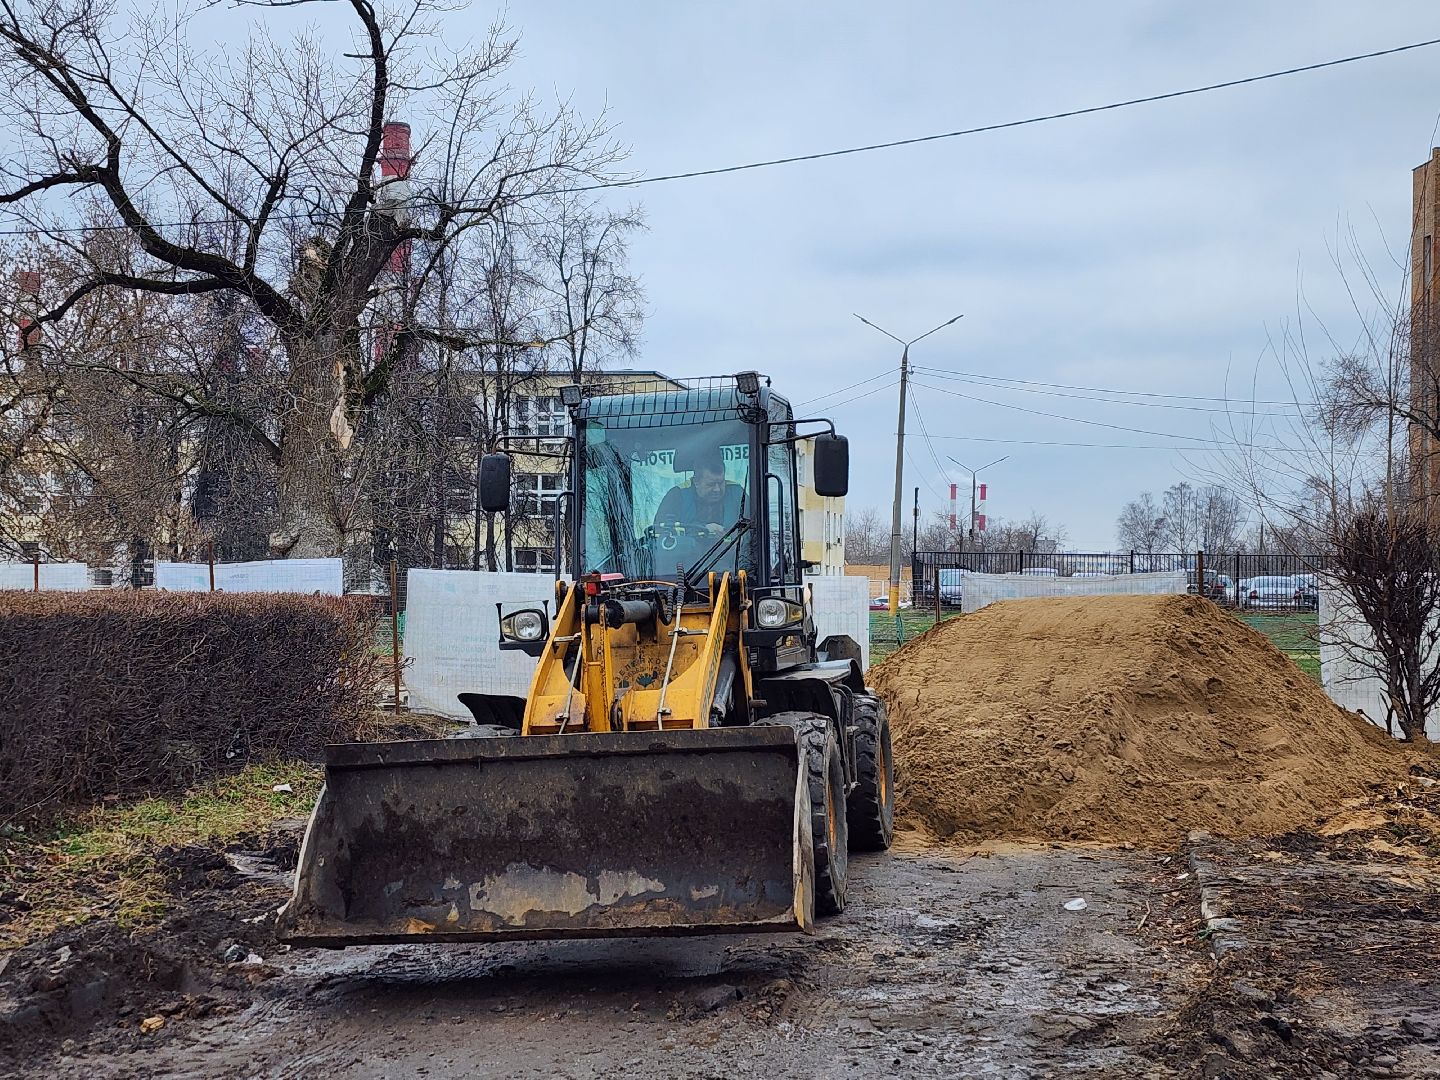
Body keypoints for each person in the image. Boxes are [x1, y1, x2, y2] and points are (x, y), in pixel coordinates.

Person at [655, 453, 745, 540]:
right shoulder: (676, 496)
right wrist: (702, 530)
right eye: (711, 484)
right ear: (696, 482)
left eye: (721, 483)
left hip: (735, 550)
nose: (717, 489)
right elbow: (660, 533)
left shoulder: (737, 493)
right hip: (690, 551)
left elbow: (751, 525)